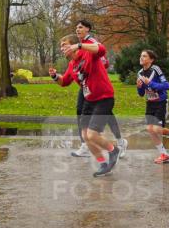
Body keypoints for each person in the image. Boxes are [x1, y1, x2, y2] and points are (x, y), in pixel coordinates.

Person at [49, 34, 121, 177]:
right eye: (61, 47)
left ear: (74, 45)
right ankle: (103, 163)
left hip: (104, 98)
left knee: (92, 134)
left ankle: (113, 150)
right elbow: (64, 82)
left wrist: (80, 45)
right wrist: (55, 77)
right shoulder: (72, 64)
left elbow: (101, 49)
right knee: (85, 136)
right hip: (89, 100)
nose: (62, 49)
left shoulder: (88, 54)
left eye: (64, 45)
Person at [69, 21, 127, 159]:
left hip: (97, 86)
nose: (78, 29)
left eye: (80, 27)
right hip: (86, 86)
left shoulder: (90, 42)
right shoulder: (80, 46)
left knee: (107, 115)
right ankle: (86, 143)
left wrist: (95, 64)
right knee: (80, 111)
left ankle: (119, 142)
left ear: (88, 29)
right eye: (76, 27)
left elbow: (103, 56)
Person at [136, 49, 169, 164]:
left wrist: (150, 83)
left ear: (151, 60)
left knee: (156, 129)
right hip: (150, 103)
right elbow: (142, 94)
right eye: (141, 56)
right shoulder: (139, 73)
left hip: (161, 102)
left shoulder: (155, 69)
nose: (141, 58)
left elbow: (166, 86)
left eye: (144, 56)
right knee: (150, 129)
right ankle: (164, 154)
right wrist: (139, 87)